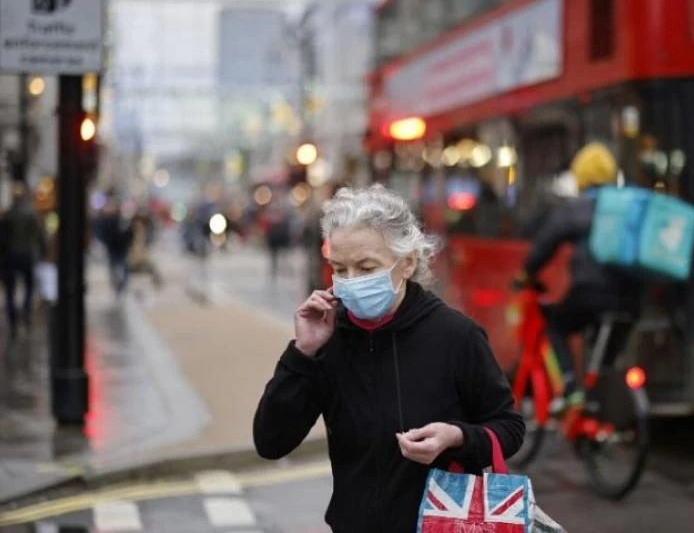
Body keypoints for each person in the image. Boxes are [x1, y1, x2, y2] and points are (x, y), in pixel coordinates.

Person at [253, 184, 524, 532]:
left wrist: (456, 437)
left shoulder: (456, 335)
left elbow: (509, 428)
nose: (350, 282)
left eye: (366, 268)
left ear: (407, 263)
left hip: (442, 526)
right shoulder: (329, 340)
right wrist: (302, 353)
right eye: (340, 268)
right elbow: (270, 443)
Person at [516, 142, 641, 406]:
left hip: (590, 294)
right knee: (606, 356)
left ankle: (570, 387)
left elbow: (545, 245)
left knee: (556, 326)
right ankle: (604, 403)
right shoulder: (629, 206)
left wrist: (527, 274)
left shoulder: (577, 209)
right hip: (630, 298)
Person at [0, 184, 44, 336]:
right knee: (29, 286)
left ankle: (13, 320)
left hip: (10, 256)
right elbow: (39, 235)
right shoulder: (31, 214)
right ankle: (25, 312)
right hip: (26, 254)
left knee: (10, 291)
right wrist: (42, 251)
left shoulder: (8, 214)